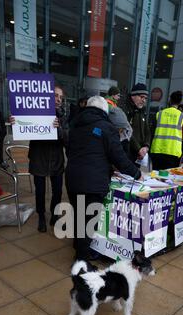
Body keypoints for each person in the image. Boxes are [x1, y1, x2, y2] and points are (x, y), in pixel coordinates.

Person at [65, 96, 141, 261]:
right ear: (105, 111)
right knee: (88, 224)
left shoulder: (75, 125)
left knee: (79, 218)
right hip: (92, 183)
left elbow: (72, 152)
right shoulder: (106, 127)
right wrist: (136, 173)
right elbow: (118, 157)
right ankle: (81, 263)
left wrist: (104, 166)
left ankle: (79, 249)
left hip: (72, 179)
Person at [27, 85, 67, 232]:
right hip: (39, 158)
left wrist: (59, 129)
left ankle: (54, 215)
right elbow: (27, 130)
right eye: (56, 96)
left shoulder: (63, 116)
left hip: (56, 159)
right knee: (40, 191)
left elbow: (67, 139)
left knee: (57, 191)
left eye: (61, 97)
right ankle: (41, 216)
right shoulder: (36, 113)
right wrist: (16, 123)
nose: (58, 99)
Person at [150, 90, 183, 171]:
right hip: (173, 152)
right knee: (169, 180)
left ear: (170, 100)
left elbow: (151, 131)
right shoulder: (182, 116)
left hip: (157, 150)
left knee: (155, 178)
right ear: (180, 102)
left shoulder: (159, 113)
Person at [120, 83, 151, 165]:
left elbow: (147, 131)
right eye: (141, 97)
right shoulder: (126, 110)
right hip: (127, 153)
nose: (144, 100)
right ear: (133, 96)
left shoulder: (142, 111)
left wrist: (146, 146)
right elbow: (127, 131)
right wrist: (139, 149)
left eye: (145, 98)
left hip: (139, 154)